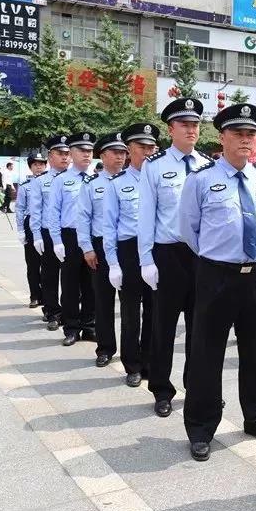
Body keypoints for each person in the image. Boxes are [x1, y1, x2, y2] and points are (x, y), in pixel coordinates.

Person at [179, 103, 256, 462]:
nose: (245, 140)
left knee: (255, 351)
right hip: (216, 274)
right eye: (238, 133)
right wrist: (217, 257)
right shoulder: (201, 179)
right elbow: (188, 230)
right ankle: (201, 427)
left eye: (251, 134)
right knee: (207, 353)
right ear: (222, 137)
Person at [138, 98, 212, 418]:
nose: (191, 129)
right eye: (185, 124)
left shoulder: (207, 165)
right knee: (163, 326)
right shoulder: (155, 166)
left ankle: (195, 386)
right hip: (167, 254)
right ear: (171, 129)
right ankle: (161, 389)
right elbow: (145, 215)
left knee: (200, 327)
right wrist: (146, 259)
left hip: (201, 254)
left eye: (195, 124)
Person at [105, 124, 158, 385]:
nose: (148, 152)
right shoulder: (117, 184)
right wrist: (113, 263)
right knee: (130, 310)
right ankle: (132, 364)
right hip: (129, 249)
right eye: (142, 147)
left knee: (154, 310)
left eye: (152, 147)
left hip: (156, 249)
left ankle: (149, 361)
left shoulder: (160, 179)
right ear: (129, 150)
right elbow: (109, 226)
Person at [77, 132, 127, 368]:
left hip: (127, 246)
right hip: (100, 247)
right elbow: (83, 218)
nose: (120, 157)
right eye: (115, 152)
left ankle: (131, 352)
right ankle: (105, 348)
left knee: (129, 304)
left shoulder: (133, 181)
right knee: (103, 300)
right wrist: (87, 248)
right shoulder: (92, 185)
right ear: (103, 156)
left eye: (123, 152)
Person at [47, 132, 98, 347]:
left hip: (93, 237)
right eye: (82, 151)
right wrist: (57, 240)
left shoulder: (98, 178)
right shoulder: (61, 180)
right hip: (70, 236)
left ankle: (89, 326)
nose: (87, 155)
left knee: (92, 285)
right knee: (70, 284)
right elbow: (53, 212)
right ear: (72, 153)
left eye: (90, 151)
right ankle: (71, 328)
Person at [28, 135, 73, 331]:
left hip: (70, 233)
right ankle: (53, 311)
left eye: (67, 153)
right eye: (60, 153)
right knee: (50, 274)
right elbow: (36, 210)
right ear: (50, 156)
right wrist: (37, 235)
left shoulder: (77, 179)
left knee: (71, 276)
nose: (65, 157)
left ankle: (70, 312)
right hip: (48, 233)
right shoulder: (41, 181)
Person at [15, 153, 47, 310]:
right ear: (30, 167)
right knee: (33, 263)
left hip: (46, 223)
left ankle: (48, 297)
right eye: (35, 164)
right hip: (30, 223)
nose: (39, 167)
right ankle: (35, 295)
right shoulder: (25, 185)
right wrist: (21, 230)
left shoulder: (52, 182)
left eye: (41, 164)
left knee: (48, 264)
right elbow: (20, 209)